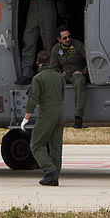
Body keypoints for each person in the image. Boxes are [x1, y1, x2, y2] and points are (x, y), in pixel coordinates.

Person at [17, 0, 66, 78]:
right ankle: (27, 72)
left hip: (48, 12)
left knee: (49, 42)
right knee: (28, 41)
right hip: (33, 13)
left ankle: (51, 71)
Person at [22, 50, 65, 186]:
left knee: (36, 144)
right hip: (60, 112)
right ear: (51, 63)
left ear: (37, 63)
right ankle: (55, 176)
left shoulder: (38, 78)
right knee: (56, 146)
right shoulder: (59, 77)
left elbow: (33, 99)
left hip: (47, 112)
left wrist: (26, 118)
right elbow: (63, 95)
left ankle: (50, 171)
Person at [50, 26, 88, 127]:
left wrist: (83, 72)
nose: (68, 39)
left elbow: (90, 61)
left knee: (79, 83)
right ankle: (52, 115)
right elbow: (53, 67)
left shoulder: (78, 45)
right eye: (65, 38)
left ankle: (78, 116)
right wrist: (58, 73)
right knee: (51, 83)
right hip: (64, 75)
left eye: (69, 37)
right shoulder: (55, 49)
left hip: (77, 74)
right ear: (59, 39)